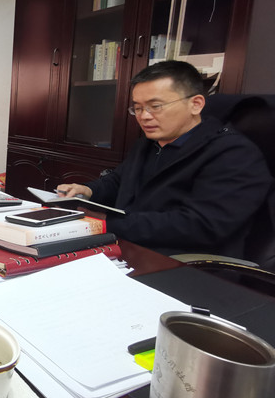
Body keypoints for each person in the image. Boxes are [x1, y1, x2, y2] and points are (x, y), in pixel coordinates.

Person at [57, 60, 272, 258]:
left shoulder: (233, 155)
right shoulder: (149, 144)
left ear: (196, 104)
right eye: (138, 108)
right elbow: (120, 180)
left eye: (156, 106)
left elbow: (200, 226)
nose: (144, 116)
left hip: (183, 263)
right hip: (126, 244)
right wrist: (89, 190)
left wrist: (108, 222)